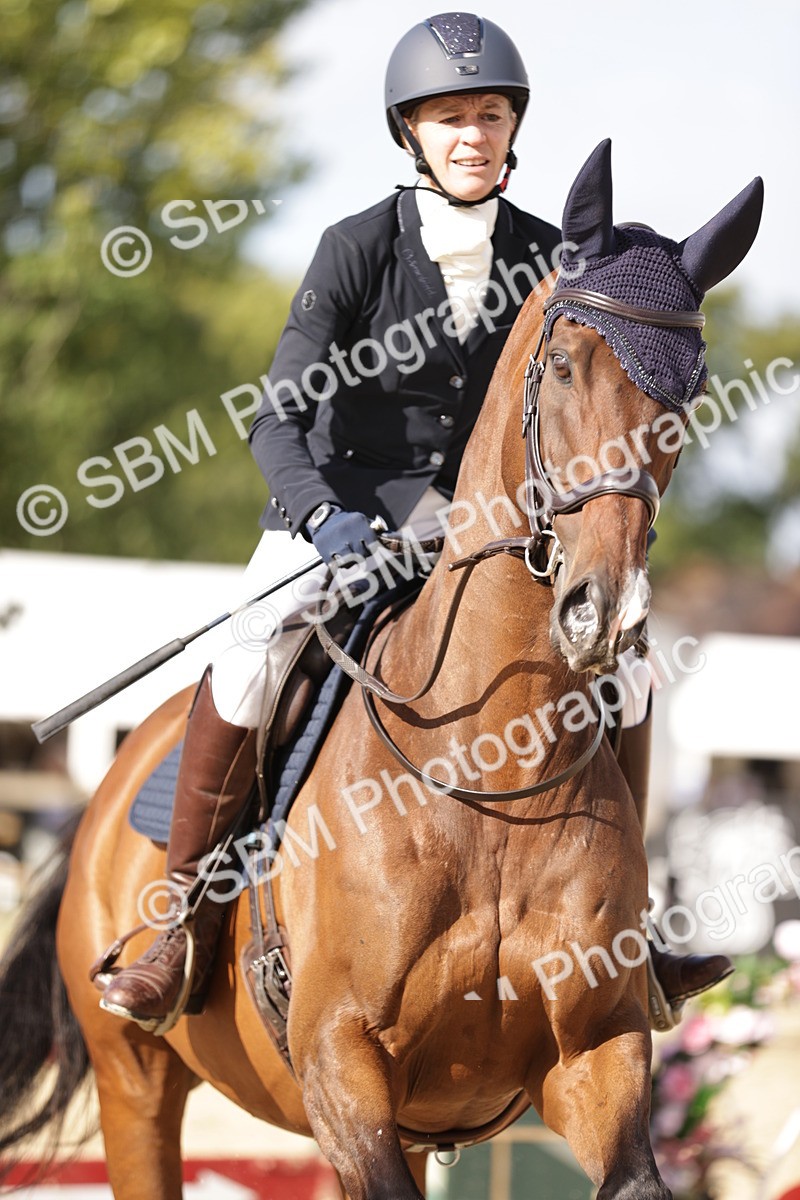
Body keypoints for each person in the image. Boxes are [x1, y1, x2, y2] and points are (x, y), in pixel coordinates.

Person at [99, 12, 732, 1032]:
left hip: (487, 533)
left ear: (511, 128)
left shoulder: (548, 261)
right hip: (339, 512)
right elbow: (278, 414)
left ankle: (632, 930)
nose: (470, 135)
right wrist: (321, 518)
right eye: (448, 117)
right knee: (251, 646)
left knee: (629, 665)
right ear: (411, 133)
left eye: (488, 115)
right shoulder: (353, 246)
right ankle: (181, 924)